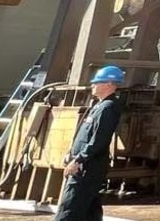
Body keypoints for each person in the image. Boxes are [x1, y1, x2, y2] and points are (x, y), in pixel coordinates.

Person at [55, 66, 126, 221]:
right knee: (89, 210)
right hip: (87, 165)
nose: (92, 85)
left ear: (108, 84)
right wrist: (71, 154)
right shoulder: (99, 106)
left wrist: (79, 160)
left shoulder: (108, 108)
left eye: (96, 82)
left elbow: (99, 140)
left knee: (70, 207)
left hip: (87, 167)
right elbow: (87, 135)